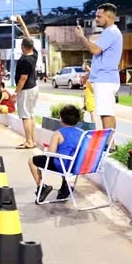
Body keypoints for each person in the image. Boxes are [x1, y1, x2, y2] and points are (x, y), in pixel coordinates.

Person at [76, 3, 123, 135]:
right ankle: (110, 143)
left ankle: (108, 144)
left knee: (105, 113)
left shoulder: (111, 32)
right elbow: (101, 58)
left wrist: (81, 37)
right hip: (105, 79)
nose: (96, 19)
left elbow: (95, 50)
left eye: (99, 16)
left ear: (109, 17)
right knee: (107, 112)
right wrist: (88, 76)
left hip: (105, 80)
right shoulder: (110, 32)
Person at [29, 104, 82, 203]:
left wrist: (46, 150)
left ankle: (42, 187)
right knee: (65, 157)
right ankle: (65, 186)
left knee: (32, 160)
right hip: (76, 165)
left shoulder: (58, 133)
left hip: (62, 165)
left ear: (61, 119)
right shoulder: (82, 133)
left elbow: (51, 154)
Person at [13, 16, 40, 149]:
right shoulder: (34, 54)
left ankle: (29, 141)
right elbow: (28, 37)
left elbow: (22, 79)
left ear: (24, 47)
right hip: (34, 88)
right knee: (31, 115)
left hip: (26, 90)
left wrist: (15, 93)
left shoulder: (24, 60)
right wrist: (22, 23)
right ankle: (32, 141)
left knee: (25, 116)